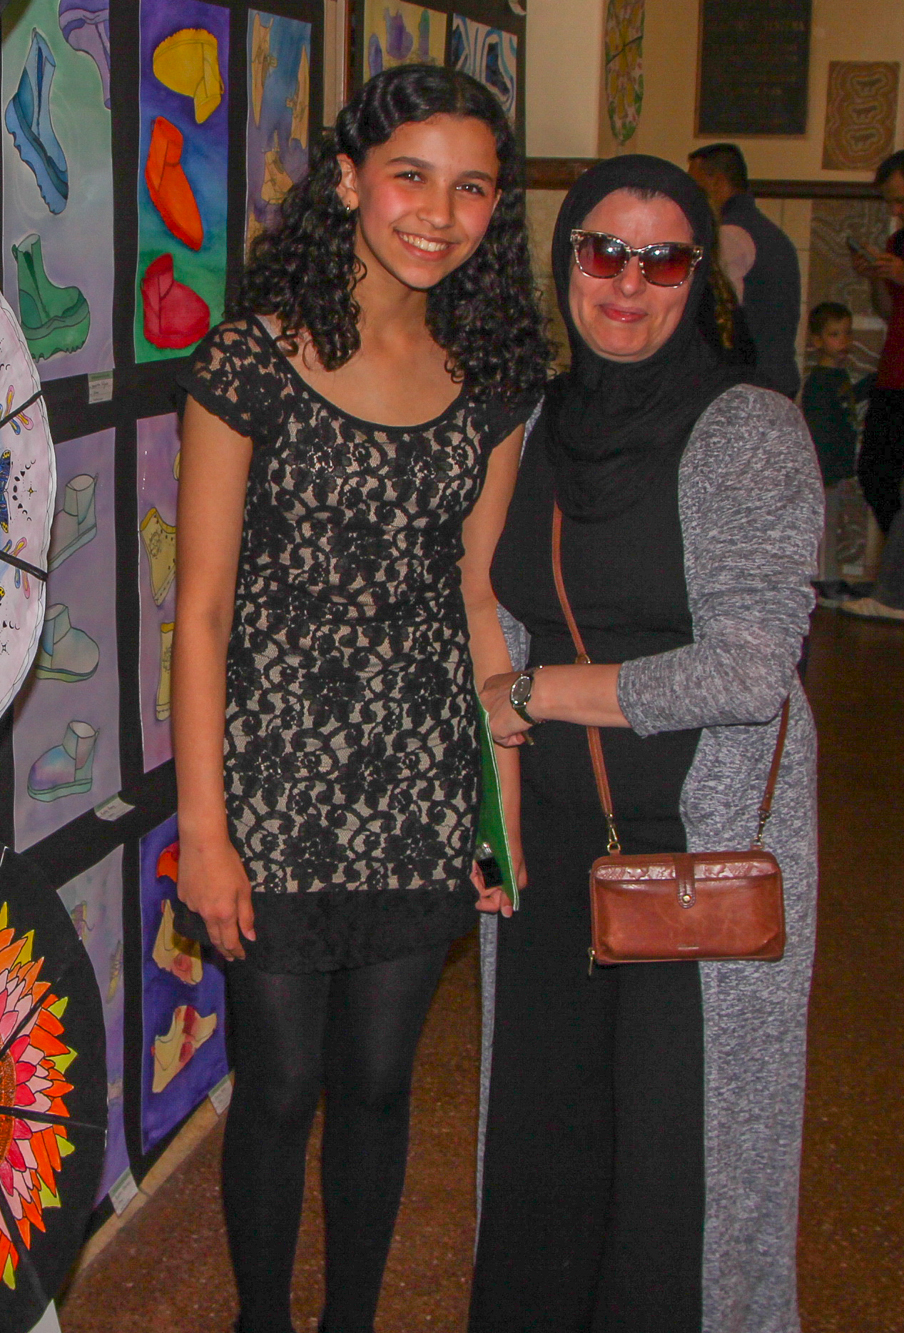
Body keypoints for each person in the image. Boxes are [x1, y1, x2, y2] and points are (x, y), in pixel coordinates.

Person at [172, 64, 549, 1333]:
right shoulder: (249, 360)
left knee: (380, 1084)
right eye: (410, 177)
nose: (438, 214)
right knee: (279, 1085)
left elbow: (476, 603)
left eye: (471, 188)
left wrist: (497, 808)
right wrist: (205, 833)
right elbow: (200, 612)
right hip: (272, 784)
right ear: (345, 180)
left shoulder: (490, 377)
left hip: (417, 782)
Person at [470, 155, 820, 1333]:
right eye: (602, 252)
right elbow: (492, 611)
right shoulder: (529, 422)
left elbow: (746, 669)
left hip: (695, 850)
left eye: (661, 259)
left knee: (684, 1165)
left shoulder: (748, 431)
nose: (627, 283)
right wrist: (493, 803)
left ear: (696, 277)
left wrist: (534, 696)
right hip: (552, 847)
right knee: (543, 1140)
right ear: (563, 258)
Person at [842, 149, 904, 621]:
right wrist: (878, 279)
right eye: (891, 202)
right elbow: (887, 311)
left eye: (901, 200)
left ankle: (894, 592)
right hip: (894, 372)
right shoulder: (898, 241)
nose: (896, 210)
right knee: (875, 473)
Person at [689, 143, 802, 398]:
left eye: (697, 188)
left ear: (718, 182)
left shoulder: (730, 236)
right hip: (778, 378)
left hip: (750, 386)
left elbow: (717, 323)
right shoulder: (772, 233)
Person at [800, 301, 871, 603]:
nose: (843, 341)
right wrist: (824, 468)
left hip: (837, 466)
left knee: (833, 522)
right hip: (825, 468)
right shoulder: (819, 381)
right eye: (834, 334)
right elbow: (819, 429)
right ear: (817, 341)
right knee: (825, 526)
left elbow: (848, 404)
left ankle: (831, 576)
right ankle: (823, 580)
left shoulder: (838, 377)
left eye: (847, 333)